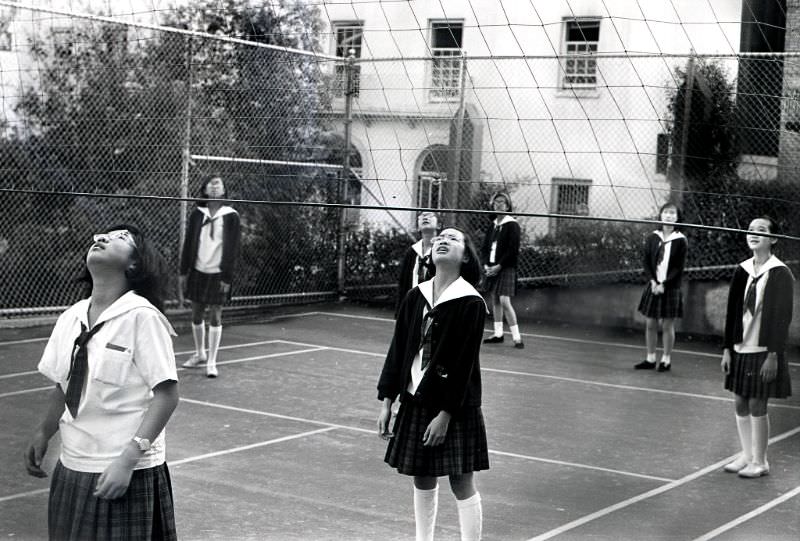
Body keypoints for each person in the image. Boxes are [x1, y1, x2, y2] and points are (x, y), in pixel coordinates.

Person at [25, 225, 179, 540]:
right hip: (74, 463)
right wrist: (44, 431)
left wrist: (127, 460)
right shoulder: (71, 317)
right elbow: (63, 384)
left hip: (125, 470)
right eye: (101, 236)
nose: (103, 239)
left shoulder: (142, 317)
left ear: (134, 264)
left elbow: (167, 396)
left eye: (121, 238)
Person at [378, 227, 489, 541]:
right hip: (416, 399)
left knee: (461, 481)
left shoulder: (471, 302)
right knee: (422, 477)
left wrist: (445, 414)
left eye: (453, 239)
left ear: (465, 256)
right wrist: (387, 401)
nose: (443, 240)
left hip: (453, 406)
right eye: (440, 237)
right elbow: (398, 349)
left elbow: (464, 364)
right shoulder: (417, 296)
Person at [721, 216, 793, 478]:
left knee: (756, 404)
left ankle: (760, 461)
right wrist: (727, 348)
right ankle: (747, 454)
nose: (754, 234)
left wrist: (773, 355)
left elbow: (782, 319)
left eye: (761, 231)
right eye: (751, 230)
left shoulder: (780, 273)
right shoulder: (742, 270)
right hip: (740, 347)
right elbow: (731, 313)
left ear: (773, 239)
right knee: (740, 402)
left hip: (763, 350)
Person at [180, 175, 241, 378]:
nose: (215, 187)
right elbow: (189, 242)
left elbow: (233, 249)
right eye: (211, 184)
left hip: (218, 273)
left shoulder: (231, 215)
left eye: (219, 184)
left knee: (216, 314)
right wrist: (183, 270)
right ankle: (200, 354)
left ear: (224, 190)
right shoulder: (197, 213)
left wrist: (227, 277)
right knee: (196, 314)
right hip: (198, 269)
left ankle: (212, 362)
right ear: (204, 190)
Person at [634, 201, 688, 372]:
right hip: (653, 285)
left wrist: (664, 284)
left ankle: (666, 359)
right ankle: (650, 358)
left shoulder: (680, 240)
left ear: (677, 218)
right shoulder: (653, 237)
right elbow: (646, 262)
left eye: (673, 213)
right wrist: (653, 282)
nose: (669, 216)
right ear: (661, 215)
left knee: (666, 325)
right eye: (666, 212)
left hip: (670, 287)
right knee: (650, 323)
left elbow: (679, 268)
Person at [481, 191, 524, 348]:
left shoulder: (512, 225)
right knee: (495, 299)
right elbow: (485, 248)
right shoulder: (493, 225)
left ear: (507, 206)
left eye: (502, 202)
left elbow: (512, 250)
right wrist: (486, 265)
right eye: (496, 202)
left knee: (505, 300)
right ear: (493, 204)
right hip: (492, 267)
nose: (499, 204)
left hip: (505, 267)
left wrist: (499, 266)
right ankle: (498, 334)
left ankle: (517, 338)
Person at [396, 212, 439, 316]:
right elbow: (403, 283)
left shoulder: (441, 251)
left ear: (438, 225)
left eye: (430, 215)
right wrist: (400, 312)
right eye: (422, 216)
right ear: (418, 227)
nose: (425, 217)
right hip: (413, 306)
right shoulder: (412, 252)